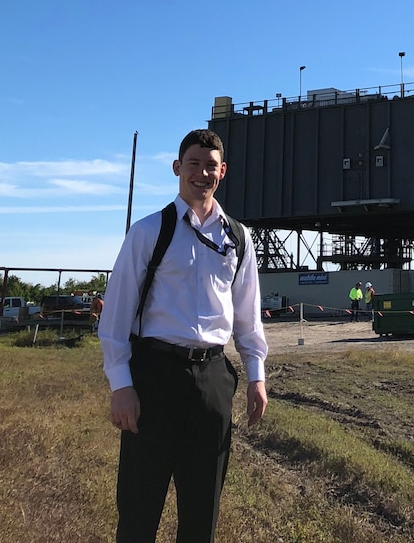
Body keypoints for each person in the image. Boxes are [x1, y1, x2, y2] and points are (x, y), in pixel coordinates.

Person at [99, 129, 268, 543]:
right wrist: (122, 386)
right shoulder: (148, 232)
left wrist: (256, 375)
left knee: (201, 512)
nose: (202, 172)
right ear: (178, 168)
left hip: (212, 381)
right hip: (153, 377)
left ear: (222, 172)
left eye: (211, 165)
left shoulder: (238, 239)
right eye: (193, 163)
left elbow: (247, 316)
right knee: (139, 509)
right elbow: (116, 317)